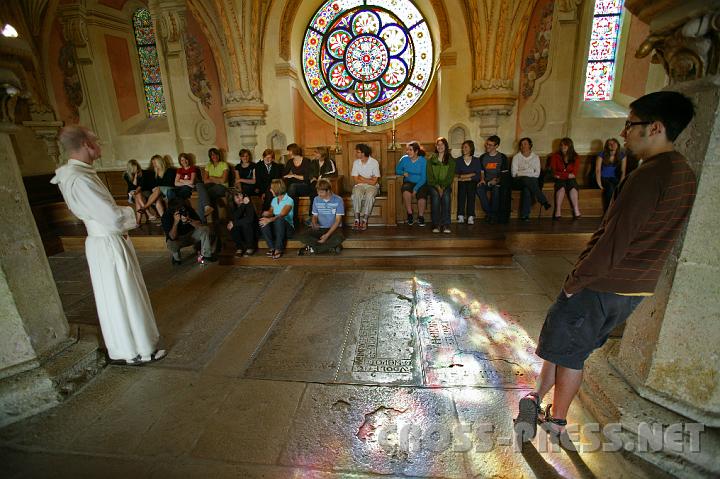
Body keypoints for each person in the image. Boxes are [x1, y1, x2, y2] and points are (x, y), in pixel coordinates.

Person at [514, 91, 697, 445]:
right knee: (564, 344)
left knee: (571, 354)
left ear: (655, 127)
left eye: (631, 125)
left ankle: (557, 421)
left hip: (602, 283)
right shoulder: (684, 172)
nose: (625, 132)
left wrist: (575, 281)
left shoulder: (649, 176)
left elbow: (616, 240)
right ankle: (536, 397)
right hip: (635, 286)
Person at [51, 125, 166, 365]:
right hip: (108, 241)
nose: (100, 144)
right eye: (97, 140)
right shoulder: (79, 179)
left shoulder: (77, 174)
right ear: (86, 145)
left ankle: (132, 348)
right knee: (124, 294)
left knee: (116, 295)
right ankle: (140, 349)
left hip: (103, 240)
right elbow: (111, 217)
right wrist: (135, 212)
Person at [161, 198, 216, 265]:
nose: (181, 210)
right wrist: (176, 222)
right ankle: (176, 259)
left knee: (205, 229)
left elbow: (200, 225)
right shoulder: (166, 216)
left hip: (191, 235)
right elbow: (172, 237)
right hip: (178, 239)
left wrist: (189, 220)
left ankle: (206, 255)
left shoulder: (187, 209)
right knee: (172, 244)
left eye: (182, 208)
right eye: (179, 209)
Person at [298, 179, 344, 255]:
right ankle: (329, 247)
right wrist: (314, 223)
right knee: (302, 236)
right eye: (318, 191)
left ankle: (313, 249)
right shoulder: (316, 199)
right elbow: (314, 215)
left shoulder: (338, 200)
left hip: (334, 229)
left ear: (328, 191)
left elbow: (337, 221)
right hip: (320, 228)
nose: (319, 194)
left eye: (321, 192)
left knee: (339, 238)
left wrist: (327, 235)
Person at [511, 137, 551, 220]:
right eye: (521, 145)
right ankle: (543, 200)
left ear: (530, 145)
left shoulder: (535, 157)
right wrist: (530, 171)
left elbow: (537, 174)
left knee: (527, 189)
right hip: (518, 181)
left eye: (525, 144)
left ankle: (525, 215)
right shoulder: (516, 157)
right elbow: (514, 174)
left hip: (531, 181)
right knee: (526, 179)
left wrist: (522, 172)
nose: (523, 146)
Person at [425, 137, 455, 233]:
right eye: (438, 144)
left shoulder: (451, 160)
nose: (440, 146)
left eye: (442, 144)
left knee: (446, 197)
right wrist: (438, 187)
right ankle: (436, 224)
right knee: (436, 196)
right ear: (436, 146)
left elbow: (450, 177)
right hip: (433, 185)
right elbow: (429, 176)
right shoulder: (431, 159)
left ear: (446, 146)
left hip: (445, 185)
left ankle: (446, 224)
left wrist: (443, 187)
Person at [477, 135, 508, 224]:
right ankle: (490, 213)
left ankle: (492, 215)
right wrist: (482, 179)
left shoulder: (502, 157)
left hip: (497, 181)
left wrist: (496, 180)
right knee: (479, 189)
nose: (487, 146)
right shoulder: (483, 157)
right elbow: (482, 170)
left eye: (490, 145)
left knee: (496, 189)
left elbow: (504, 174)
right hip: (486, 181)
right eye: (487, 144)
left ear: (496, 146)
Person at [260, 179, 294, 259]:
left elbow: (282, 214)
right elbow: (271, 212)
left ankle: (278, 249)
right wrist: (267, 214)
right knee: (263, 220)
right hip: (277, 228)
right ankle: (272, 248)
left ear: (277, 189)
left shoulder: (289, 200)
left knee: (279, 219)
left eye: (272, 188)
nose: (270, 190)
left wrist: (270, 220)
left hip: (287, 229)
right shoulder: (274, 200)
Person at [549, 137, 582, 220]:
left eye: (565, 145)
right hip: (559, 180)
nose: (562, 147)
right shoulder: (555, 156)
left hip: (570, 179)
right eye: (561, 145)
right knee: (561, 187)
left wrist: (561, 175)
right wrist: (567, 175)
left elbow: (574, 174)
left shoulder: (576, 157)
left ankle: (576, 210)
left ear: (570, 146)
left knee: (573, 186)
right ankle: (558, 211)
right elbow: (553, 172)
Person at [350, 143, 381, 231]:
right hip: (360, 185)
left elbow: (375, 181)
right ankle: (356, 219)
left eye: (358, 152)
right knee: (356, 193)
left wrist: (362, 178)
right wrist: (368, 180)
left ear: (363, 153)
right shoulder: (356, 162)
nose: (356, 154)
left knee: (370, 195)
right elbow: (356, 179)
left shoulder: (374, 162)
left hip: (373, 186)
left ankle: (365, 219)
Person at [396, 141, 427, 226]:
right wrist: (403, 173)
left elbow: (424, 177)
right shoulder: (404, 159)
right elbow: (397, 170)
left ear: (416, 151)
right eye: (407, 150)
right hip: (408, 182)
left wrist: (415, 189)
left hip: (420, 182)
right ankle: (410, 214)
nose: (407, 152)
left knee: (422, 195)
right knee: (405, 191)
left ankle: (420, 217)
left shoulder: (423, 161)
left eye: (410, 150)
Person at [283, 143, 314, 227]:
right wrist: (285, 176)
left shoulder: (306, 161)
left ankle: (291, 218)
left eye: (289, 151)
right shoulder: (290, 162)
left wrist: (293, 175)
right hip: (295, 188)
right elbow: (284, 174)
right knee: (292, 189)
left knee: (292, 187)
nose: (288, 153)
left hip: (305, 186)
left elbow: (307, 178)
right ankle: (293, 218)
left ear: (294, 151)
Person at [196, 147, 228, 223]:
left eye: (216, 154)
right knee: (199, 185)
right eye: (212, 155)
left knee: (203, 196)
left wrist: (212, 177)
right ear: (210, 157)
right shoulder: (208, 165)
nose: (214, 156)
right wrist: (218, 179)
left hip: (222, 187)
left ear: (219, 155)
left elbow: (223, 180)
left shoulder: (224, 164)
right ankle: (207, 207)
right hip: (211, 186)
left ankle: (202, 223)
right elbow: (205, 181)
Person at [595, 138, 626, 212]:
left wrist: (621, 183)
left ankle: (618, 210)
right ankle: (608, 211)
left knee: (618, 187)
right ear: (607, 146)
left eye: (614, 143)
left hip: (613, 177)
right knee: (610, 188)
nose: (612, 145)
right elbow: (598, 170)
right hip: (602, 177)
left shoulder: (622, 155)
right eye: (610, 144)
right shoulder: (601, 154)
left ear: (618, 145)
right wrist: (599, 184)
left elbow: (623, 171)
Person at [454, 140, 482, 224]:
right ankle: (460, 215)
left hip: (472, 182)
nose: (463, 149)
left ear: (471, 148)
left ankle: (470, 216)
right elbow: (457, 174)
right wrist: (471, 174)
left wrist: (466, 177)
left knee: (471, 191)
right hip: (461, 182)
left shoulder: (476, 160)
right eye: (463, 147)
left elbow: (477, 176)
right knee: (461, 191)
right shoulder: (458, 160)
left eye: (466, 147)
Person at [227, 189, 258, 257]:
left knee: (245, 223)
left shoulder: (248, 202)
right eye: (237, 197)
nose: (240, 198)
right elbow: (234, 217)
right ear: (233, 200)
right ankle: (239, 248)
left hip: (253, 230)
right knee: (232, 225)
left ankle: (250, 247)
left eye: (241, 195)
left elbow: (250, 219)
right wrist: (243, 205)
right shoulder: (232, 207)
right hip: (241, 231)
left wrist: (234, 223)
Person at [123, 159, 148, 225]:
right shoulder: (126, 175)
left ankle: (138, 222)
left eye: (136, 167)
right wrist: (135, 178)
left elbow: (141, 186)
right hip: (130, 194)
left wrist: (136, 191)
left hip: (139, 192)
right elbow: (132, 187)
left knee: (137, 196)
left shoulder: (141, 173)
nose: (136, 170)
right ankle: (148, 212)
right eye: (134, 168)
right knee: (137, 194)